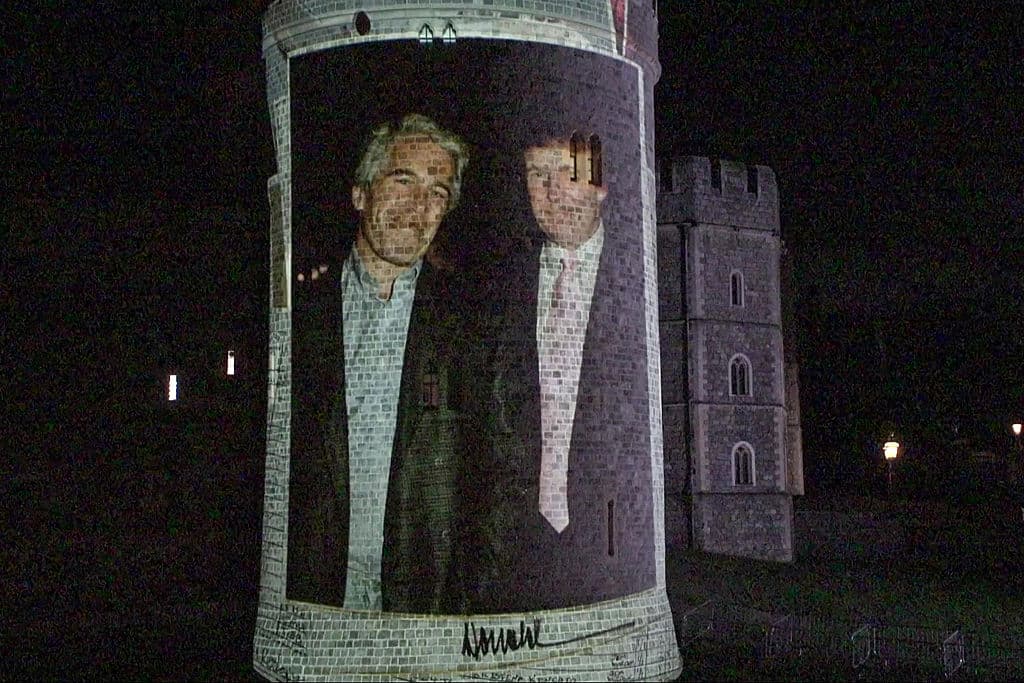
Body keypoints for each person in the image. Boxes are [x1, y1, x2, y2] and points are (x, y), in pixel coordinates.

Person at [286, 114, 471, 613]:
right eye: (403, 180)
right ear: (360, 194)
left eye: (438, 192)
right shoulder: (298, 319)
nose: (419, 206)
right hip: (316, 599)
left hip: (423, 608)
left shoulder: (471, 328)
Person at [469, 134, 655, 612]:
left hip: (610, 555)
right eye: (537, 174)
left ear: (601, 183)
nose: (552, 191)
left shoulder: (644, 275)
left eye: (568, 173)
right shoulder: (496, 281)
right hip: (511, 555)